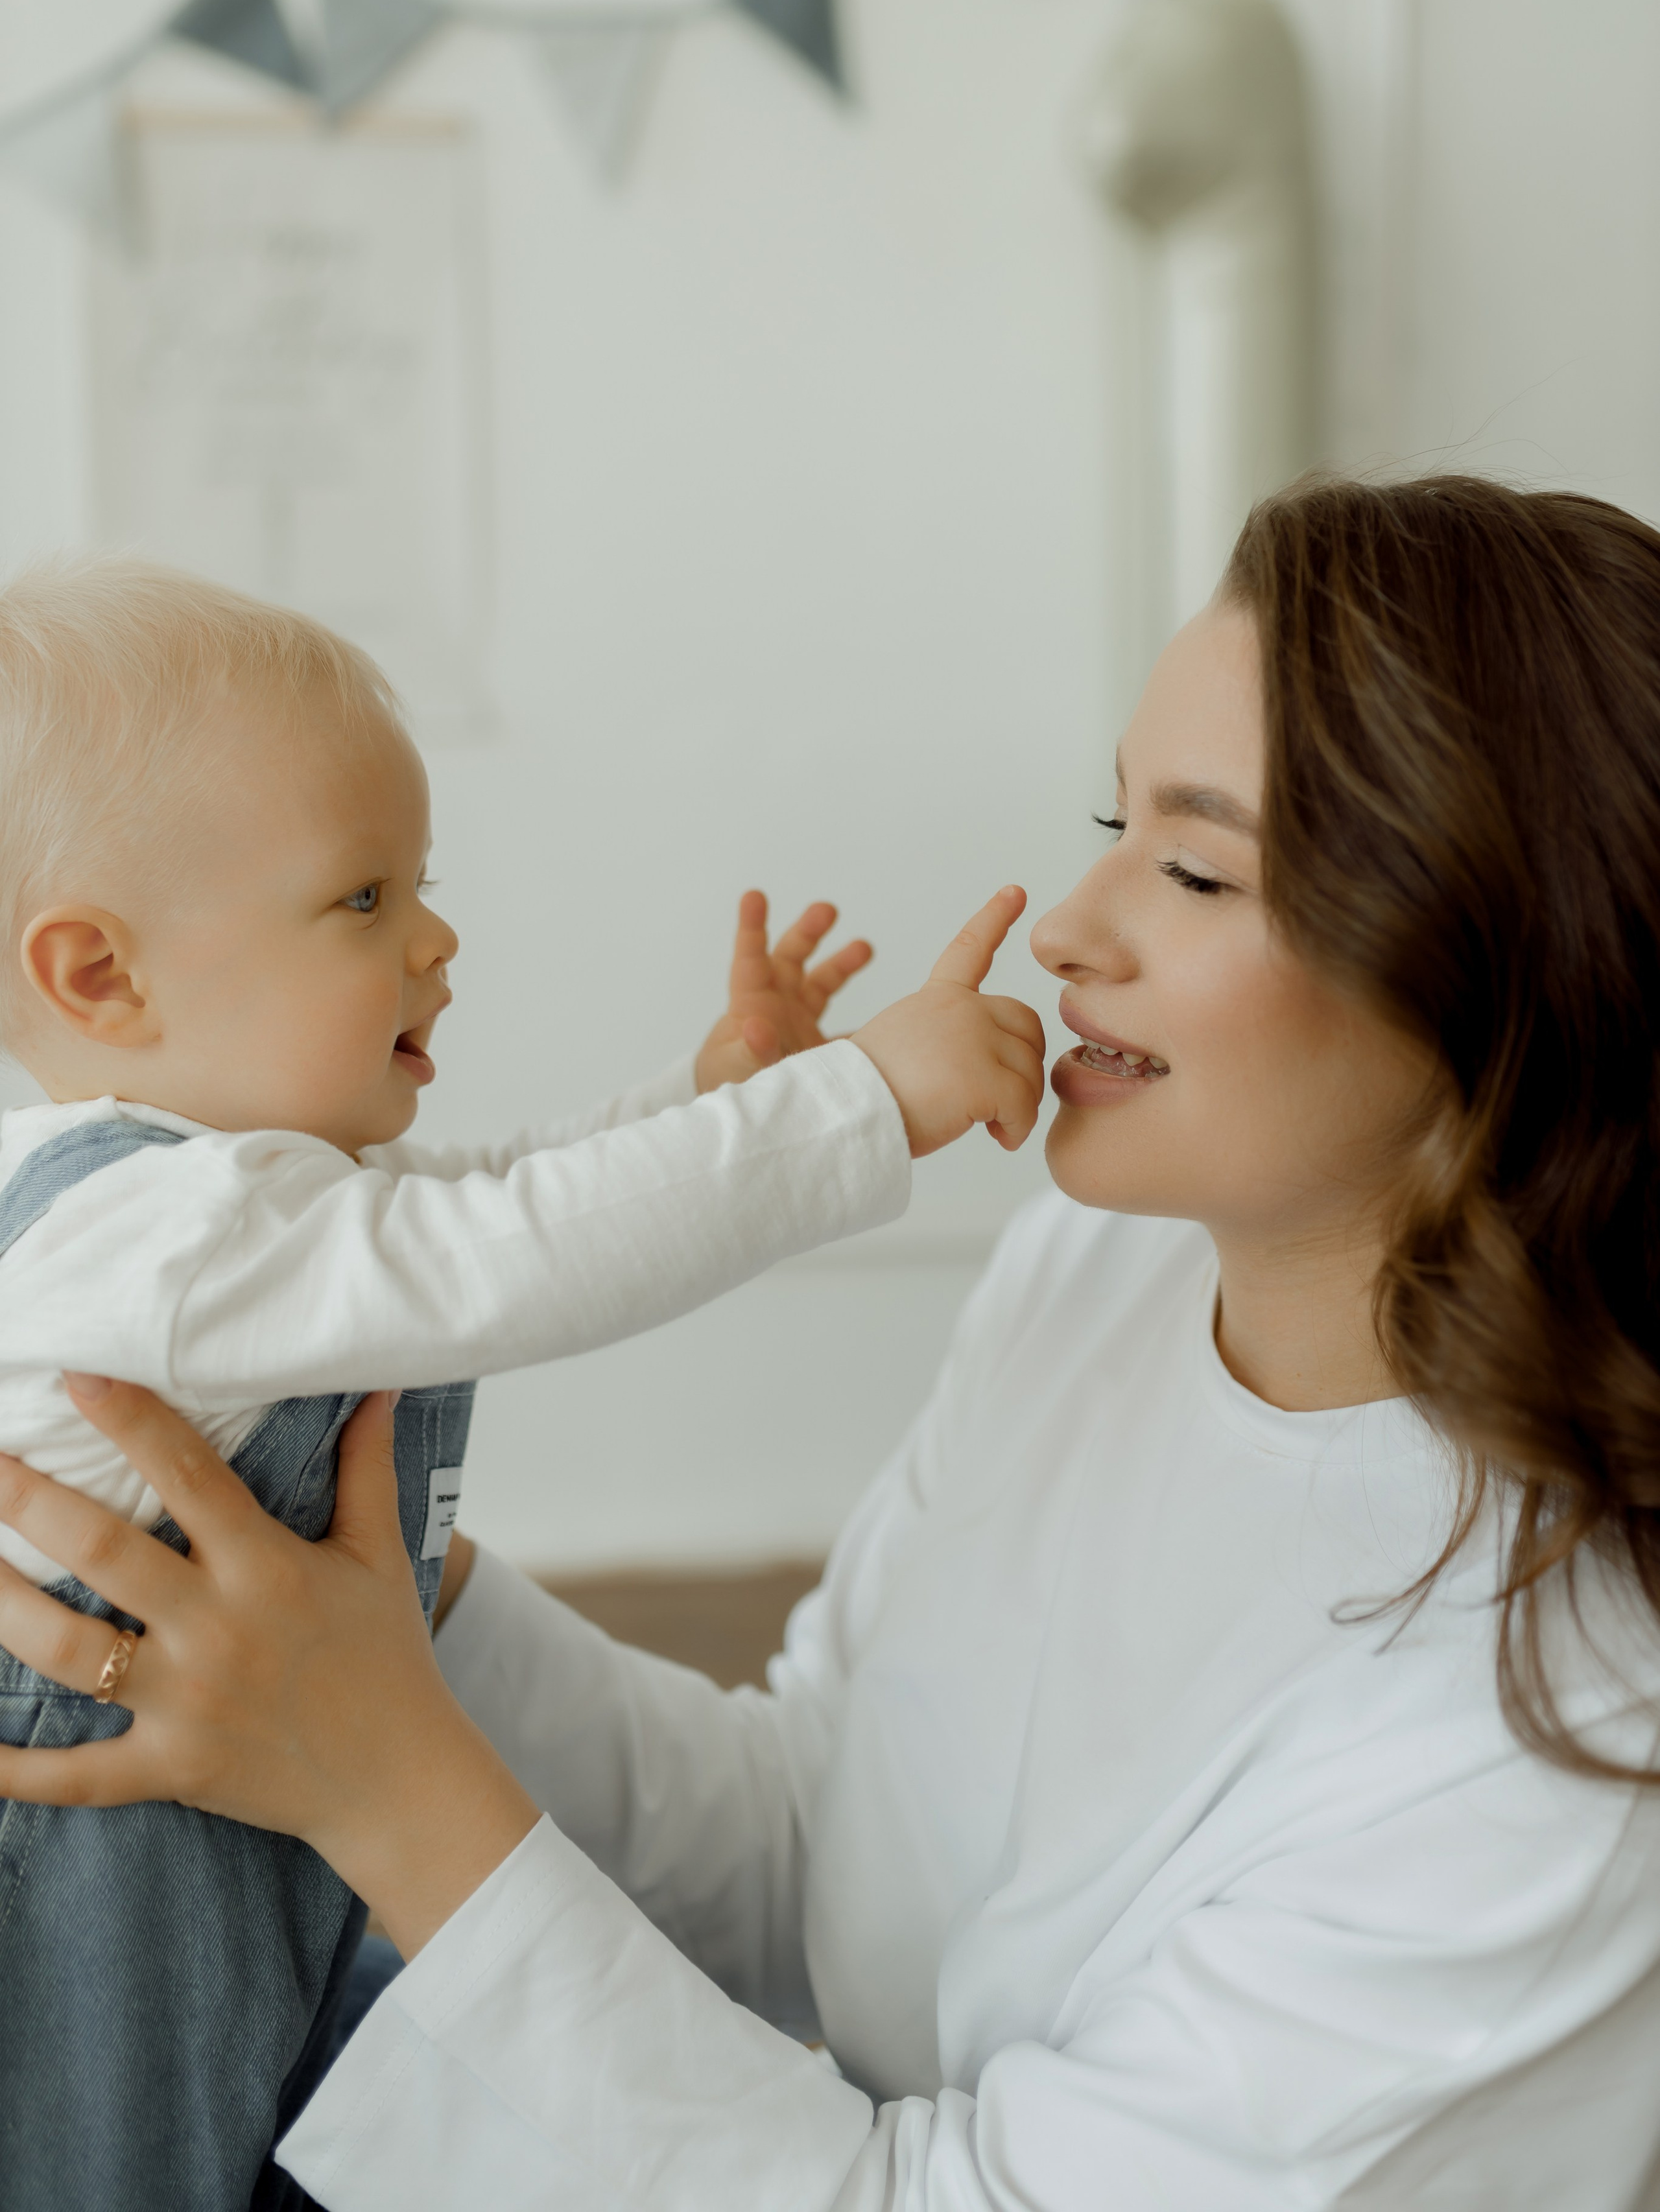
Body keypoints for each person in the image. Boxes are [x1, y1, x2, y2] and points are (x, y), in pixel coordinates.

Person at [5, 473, 1660, 2210]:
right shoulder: (1105, 1273)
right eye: (1113, 821)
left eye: (1192, 867)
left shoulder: (1562, 1749)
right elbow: (825, 1844)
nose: (1069, 924)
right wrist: (352, 1609)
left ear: (1506, 967)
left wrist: (387, 1785)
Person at [0, 559, 1044, 2212]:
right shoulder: (163, 1236)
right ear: (100, 978)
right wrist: (857, 1104)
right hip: (75, 1886)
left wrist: (712, 1100)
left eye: (419, 884)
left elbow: (493, 1201)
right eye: (362, 900)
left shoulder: (232, 1205)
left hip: (206, 1839)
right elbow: (509, 1253)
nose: (434, 938)